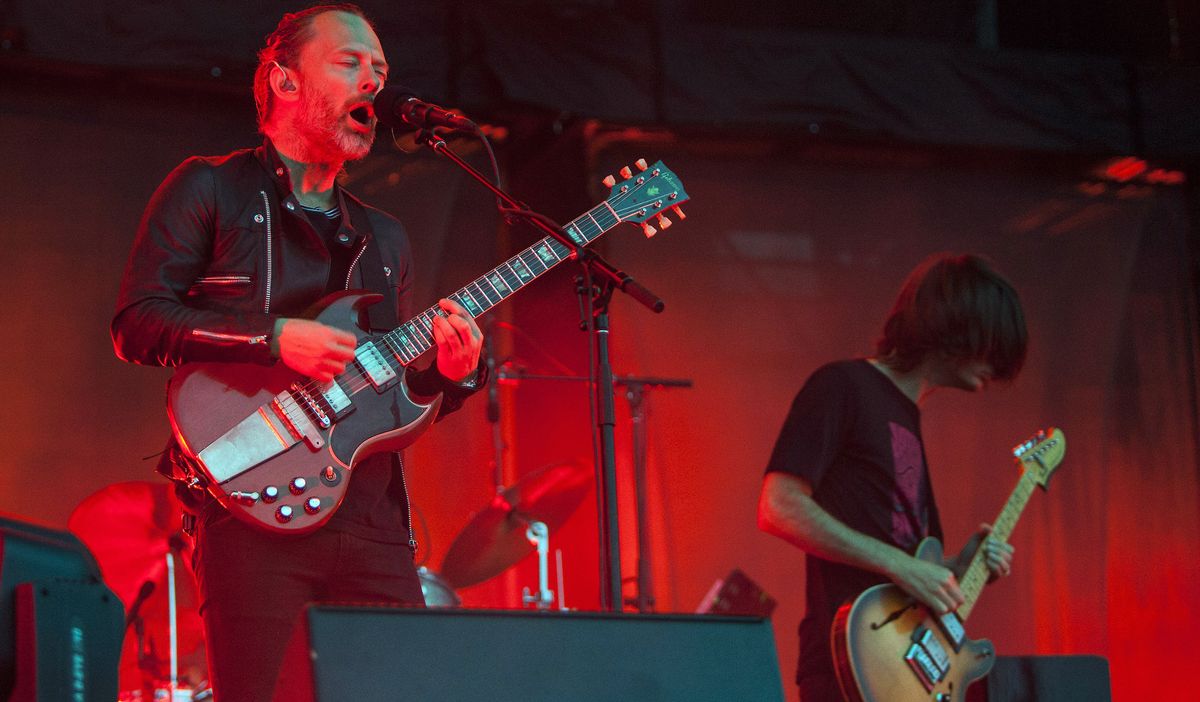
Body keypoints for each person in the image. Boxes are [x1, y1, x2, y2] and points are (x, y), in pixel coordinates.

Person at [110, 5, 486, 700]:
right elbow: (138, 323)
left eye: (380, 69)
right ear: (284, 83)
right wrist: (273, 337)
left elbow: (390, 395)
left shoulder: (386, 237)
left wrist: (449, 376)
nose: (372, 80)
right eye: (350, 62)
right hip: (251, 513)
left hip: (372, 522)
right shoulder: (211, 188)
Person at [757, 253, 1025, 701]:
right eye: (994, 344)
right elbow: (778, 506)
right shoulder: (842, 385)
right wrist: (900, 565)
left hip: (903, 668)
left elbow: (908, 563)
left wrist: (960, 566)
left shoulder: (909, 420)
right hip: (850, 664)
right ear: (958, 326)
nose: (996, 367)